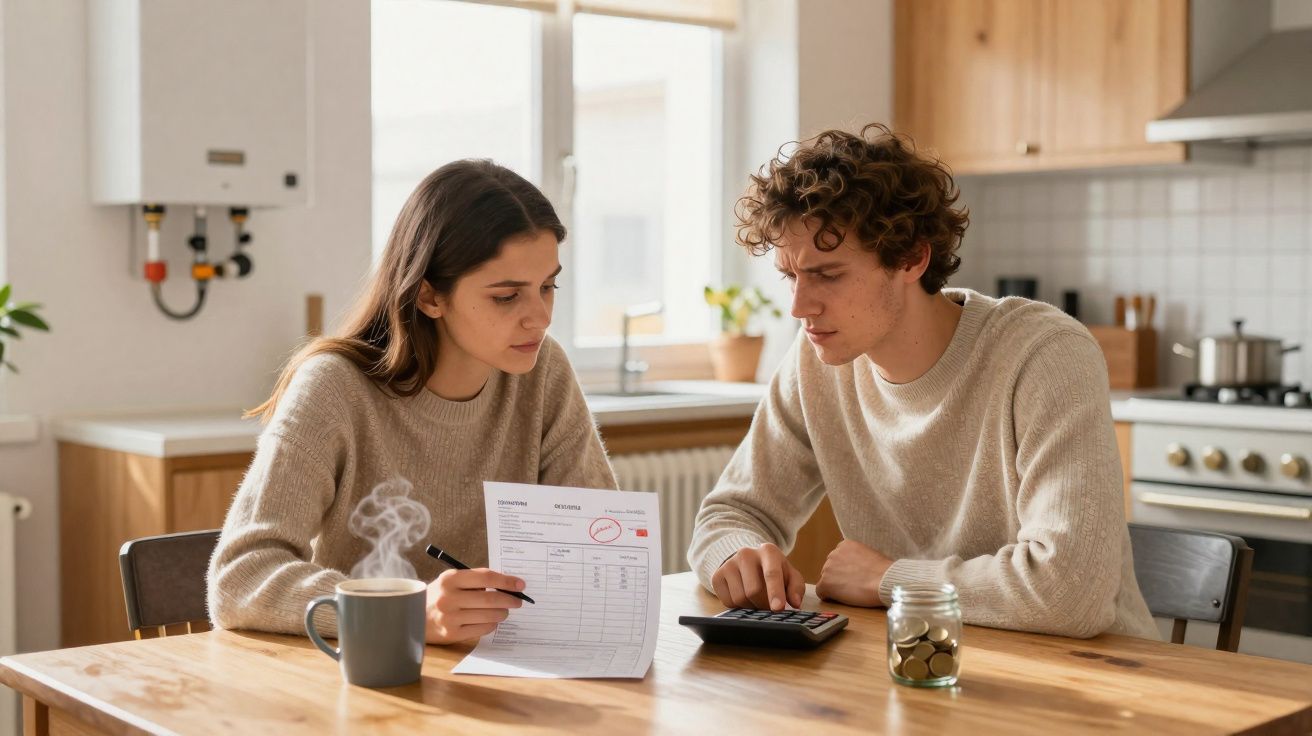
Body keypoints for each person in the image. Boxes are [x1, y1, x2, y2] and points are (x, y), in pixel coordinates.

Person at [688, 124, 1158, 639]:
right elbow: (730, 513)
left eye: (827, 274)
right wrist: (737, 555)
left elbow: (1070, 594)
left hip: (1091, 687)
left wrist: (890, 580)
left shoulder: (1044, 355)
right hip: (922, 665)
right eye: (789, 276)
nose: (799, 307)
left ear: (912, 257)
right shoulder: (816, 361)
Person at [208, 160, 617, 645]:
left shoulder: (542, 372)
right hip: (370, 681)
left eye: (548, 286)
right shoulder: (334, 388)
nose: (540, 317)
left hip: (503, 673)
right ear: (429, 296)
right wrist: (403, 612)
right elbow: (239, 579)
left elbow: (598, 549)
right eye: (507, 297)